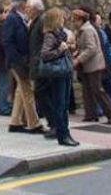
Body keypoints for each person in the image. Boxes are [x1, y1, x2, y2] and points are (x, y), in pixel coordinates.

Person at [2, 0, 43, 134]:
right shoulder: (12, 19)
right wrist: (19, 60)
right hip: (17, 62)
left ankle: (15, 121)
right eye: (26, 3)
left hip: (19, 60)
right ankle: (34, 123)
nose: (27, 6)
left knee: (21, 90)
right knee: (27, 91)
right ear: (20, 4)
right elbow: (7, 42)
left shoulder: (18, 18)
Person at [40, 8, 79, 147]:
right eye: (61, 18)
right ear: (56, 20)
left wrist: (69, 47)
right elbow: (45, 55)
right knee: (60, 105)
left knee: (64, 106)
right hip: (58, 73)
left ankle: (66, 133)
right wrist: (60, 50)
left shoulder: (60, 34)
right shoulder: (50, 35)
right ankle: (62, 135)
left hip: (65, 72)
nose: (64, 20)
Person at [27, 0, 53, 134]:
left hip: (42, 65)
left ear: (36, 9)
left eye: (29, 8)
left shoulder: (42, 21)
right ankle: (53, 123)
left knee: (44, 95)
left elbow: (47, 41)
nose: (27, 10)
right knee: (41, 95)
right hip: (38, 64)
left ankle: (54, 124)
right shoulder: (36, 21)